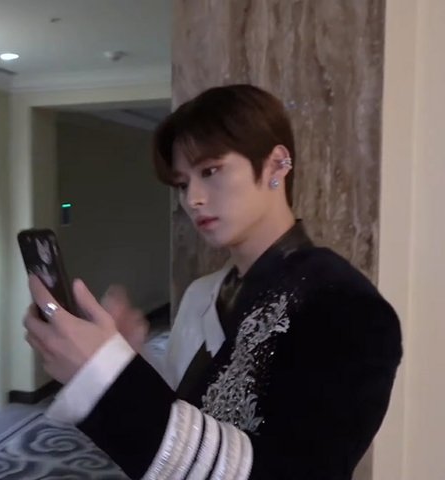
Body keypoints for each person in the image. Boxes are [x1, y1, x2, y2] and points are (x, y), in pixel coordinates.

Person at [24, 84, 402, 480]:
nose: (193, 199)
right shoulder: (203, 293)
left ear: (276, 165)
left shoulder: (346, 306)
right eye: (183, 183)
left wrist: (106, 377)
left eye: (210, 171)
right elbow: (187, 408)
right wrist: (131, 360)